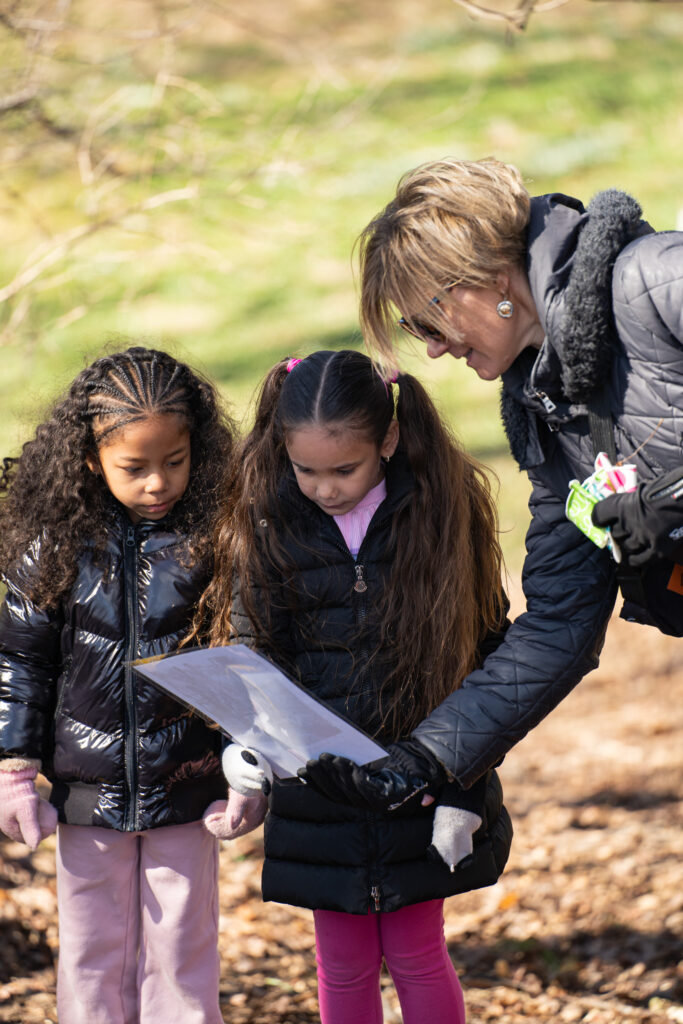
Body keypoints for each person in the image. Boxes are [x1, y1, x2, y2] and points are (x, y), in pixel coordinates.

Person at [304, 156, 683, 815]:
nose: (431, 348)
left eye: (427, 320)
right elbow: (560, 620)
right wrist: (425, 759)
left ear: (488, 279)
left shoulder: (656, 279)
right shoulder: (544, 411)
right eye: (414, 331)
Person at [197, 349, 513, 1024]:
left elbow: (487, 653)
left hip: (423, 776)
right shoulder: (267, 519)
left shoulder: (441, 509)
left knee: (417, 952)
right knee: (340, 962)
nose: (324, 489)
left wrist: (462, 785)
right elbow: (253, 653)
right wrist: (245, 751)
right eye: (304, 469)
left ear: (388, 440)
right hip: (319, 788)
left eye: (344, 470)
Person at [0, 346, 236, 1024]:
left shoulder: (217, 537)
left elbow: (241, 657)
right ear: (89, 459)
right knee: (90, 954)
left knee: (183, 952)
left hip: (186, 786)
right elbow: (20, 663)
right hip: (86, 796)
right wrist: (14, 769)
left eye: (175, 461)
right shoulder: (52, 545)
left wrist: (246, 764)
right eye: (134, 467)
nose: (158, 483)